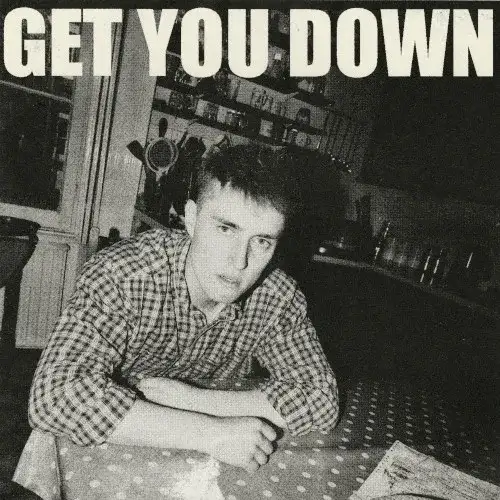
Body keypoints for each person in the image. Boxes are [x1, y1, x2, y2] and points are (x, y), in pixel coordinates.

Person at [28, 144, 339, 473]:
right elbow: (55, 396)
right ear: (191, 219)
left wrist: (193, 400)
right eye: (225, 229)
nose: (240, 261)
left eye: (262, 241)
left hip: (211, 463)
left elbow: (321, 399)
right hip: (117, 444)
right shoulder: (123, 273)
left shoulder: (277, 296)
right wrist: (210, 433)